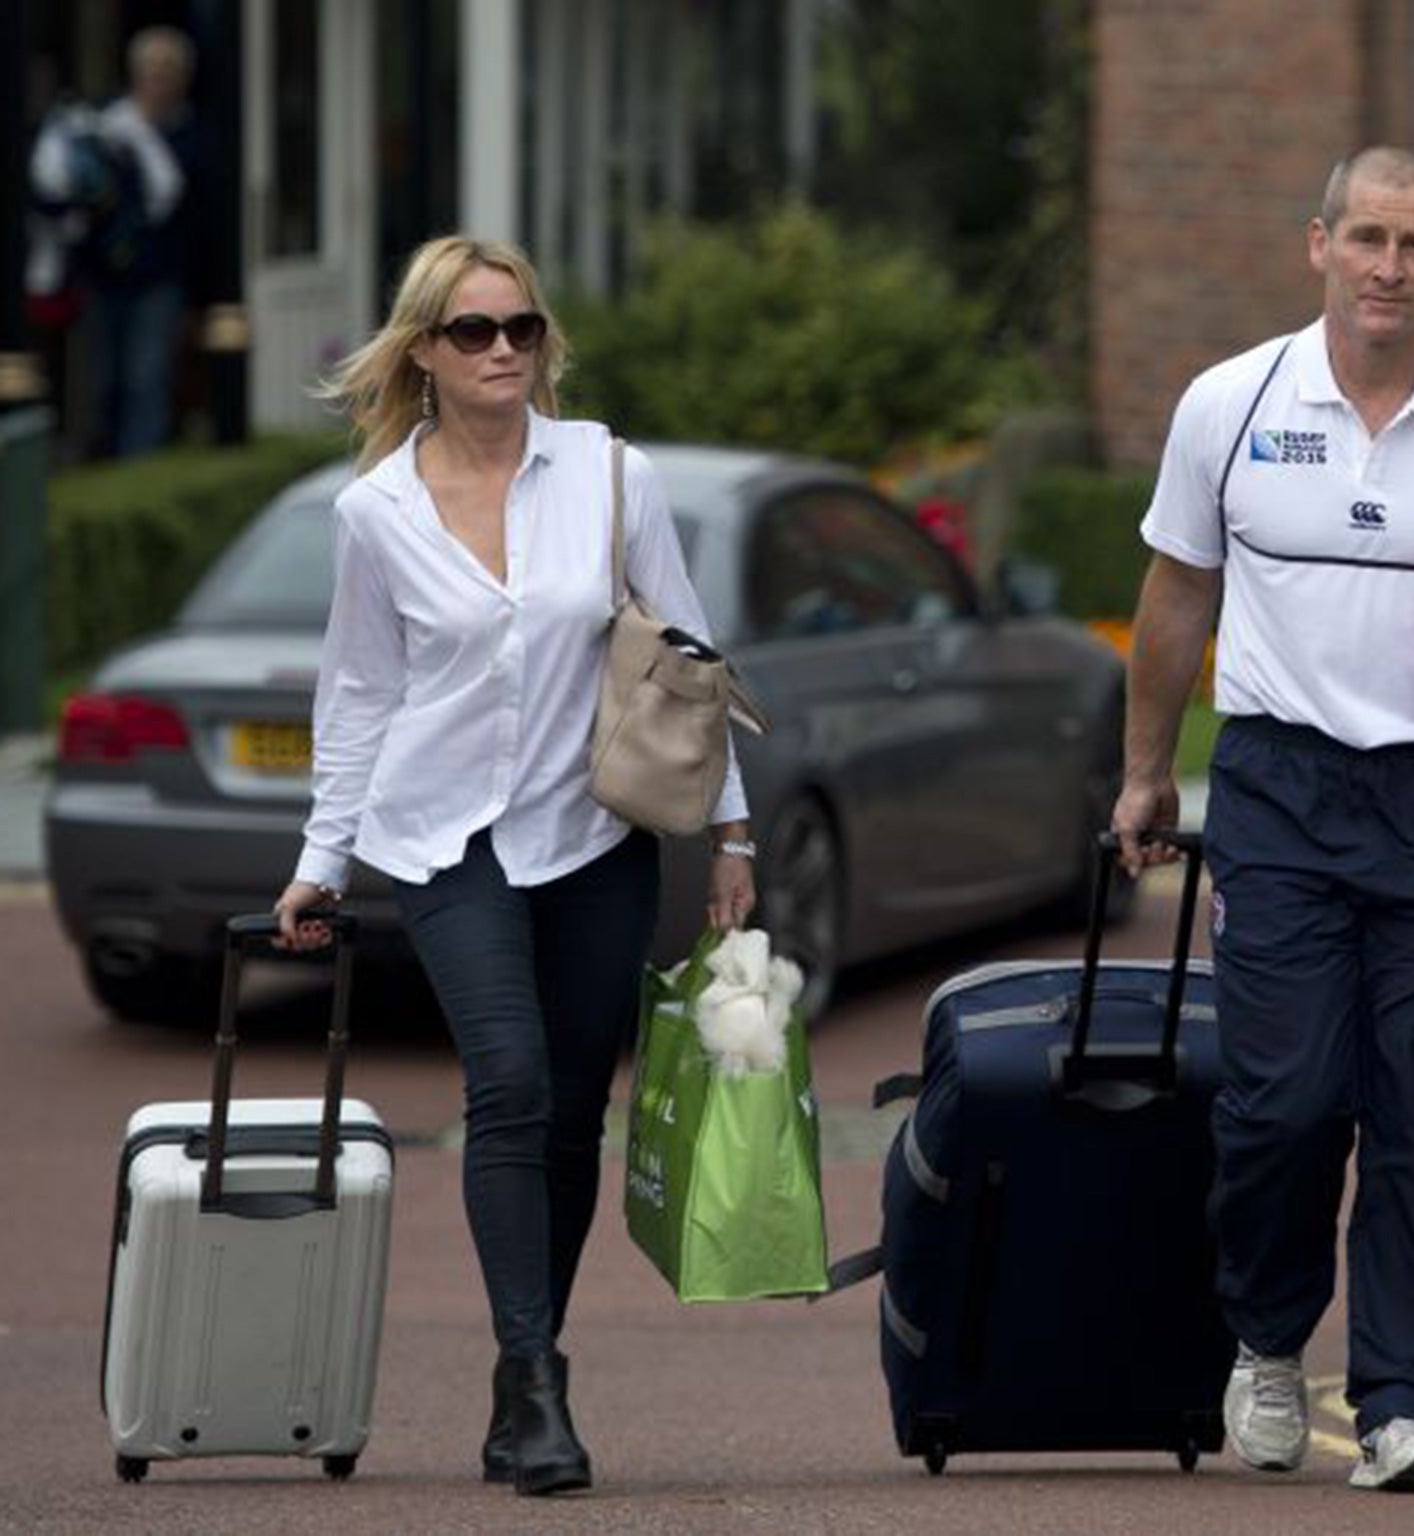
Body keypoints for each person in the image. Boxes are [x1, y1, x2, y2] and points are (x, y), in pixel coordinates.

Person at [1112, 147, 1414, 1494]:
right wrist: (1146, 773)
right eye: (1365, 238)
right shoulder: (1231, 404)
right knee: (1287, 1104)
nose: (1387, 267)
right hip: (1277, 788)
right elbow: (1177, 594)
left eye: (1413, 244)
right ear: (1318, 244)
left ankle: (1408, 1403)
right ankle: (1265, 1337)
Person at [271, 235, 757, 1496]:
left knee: (571, 1114)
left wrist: (731, 834)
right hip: (443, 840)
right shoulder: (373, 510)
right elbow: (361, 691)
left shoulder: (606, 474)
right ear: (423, 351)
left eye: (521, 330)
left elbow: (689, 660)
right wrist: (322, 861)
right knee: (511, 1082)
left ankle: (522, 1366)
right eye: (474, 332)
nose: (502, 352)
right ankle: (536, 1377)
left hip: (592, 833)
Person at [84, 25, 203, 457]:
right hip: (105, 273)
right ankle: (105, 457)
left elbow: (182, 202)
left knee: (146, 376)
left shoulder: (189, 134)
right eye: (150, 71)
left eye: (167, 71)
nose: (157, 80)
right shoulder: (106, 127)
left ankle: (139, 463)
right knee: (105, 375)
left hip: (159, 276)